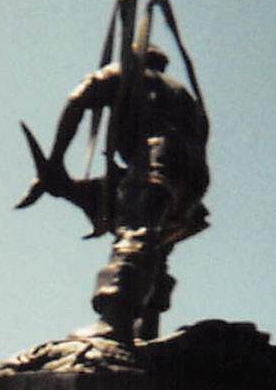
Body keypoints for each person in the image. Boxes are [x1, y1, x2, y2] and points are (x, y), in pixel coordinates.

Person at [15, 43, 210, 344]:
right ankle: (146, 328)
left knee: (136, 229)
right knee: (156, 244)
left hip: (157, 158)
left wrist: (56, 160)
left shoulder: (130, 73)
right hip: (192, 180)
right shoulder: (184, 96)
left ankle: (116, 321)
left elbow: (77, 99)